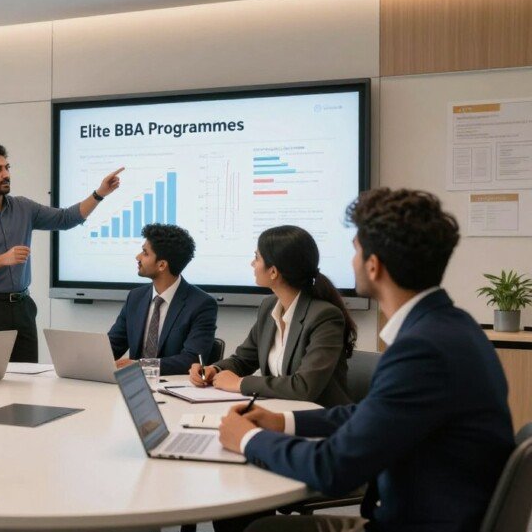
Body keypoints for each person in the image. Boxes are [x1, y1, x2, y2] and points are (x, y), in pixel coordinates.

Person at [217, 188, 515, 532]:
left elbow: (331, 468)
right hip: (439, 510)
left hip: (417, 523)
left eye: (355, 251)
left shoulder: (422, 349)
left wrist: (247, 439)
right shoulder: (453, 326)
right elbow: (370, 413)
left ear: (373, 267)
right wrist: (282, 422)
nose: (351, 262)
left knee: (260, 529)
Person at [0, 144, 123, 362]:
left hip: (23, 307)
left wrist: (99, 194)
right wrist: (2, 260)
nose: (6, 175)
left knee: (28, 378)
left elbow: (66, 219)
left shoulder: (23, 207)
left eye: (7, 167)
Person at [190, 225, 356, 407]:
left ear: (274, 271)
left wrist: (239, 383)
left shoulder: (324, 316)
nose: (252, 264)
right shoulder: (269, 306)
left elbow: (305, 387)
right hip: (279, 411)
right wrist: (214, 369)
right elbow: (244, 359)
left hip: (320, 419)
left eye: (256, 258)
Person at [108, 223, 217, 376]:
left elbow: (191, 360)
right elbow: (112, 346)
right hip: (135, 387)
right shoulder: (135, 297)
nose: (138, 257)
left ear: (162, 265)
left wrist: (141, 365)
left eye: (145, 253)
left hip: (174, 389)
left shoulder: (202, 304)